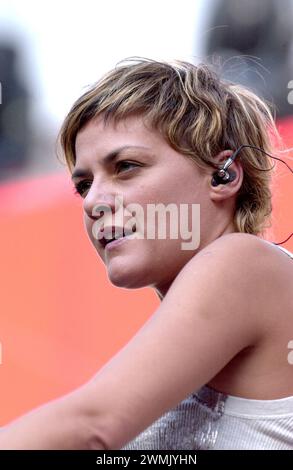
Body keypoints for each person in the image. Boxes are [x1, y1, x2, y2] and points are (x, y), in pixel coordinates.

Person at [0, 58, 293, 450]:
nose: (93, 203)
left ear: (224, 174)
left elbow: (93, 427)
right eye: (83, 185)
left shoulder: (243, 262)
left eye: (126, 167)